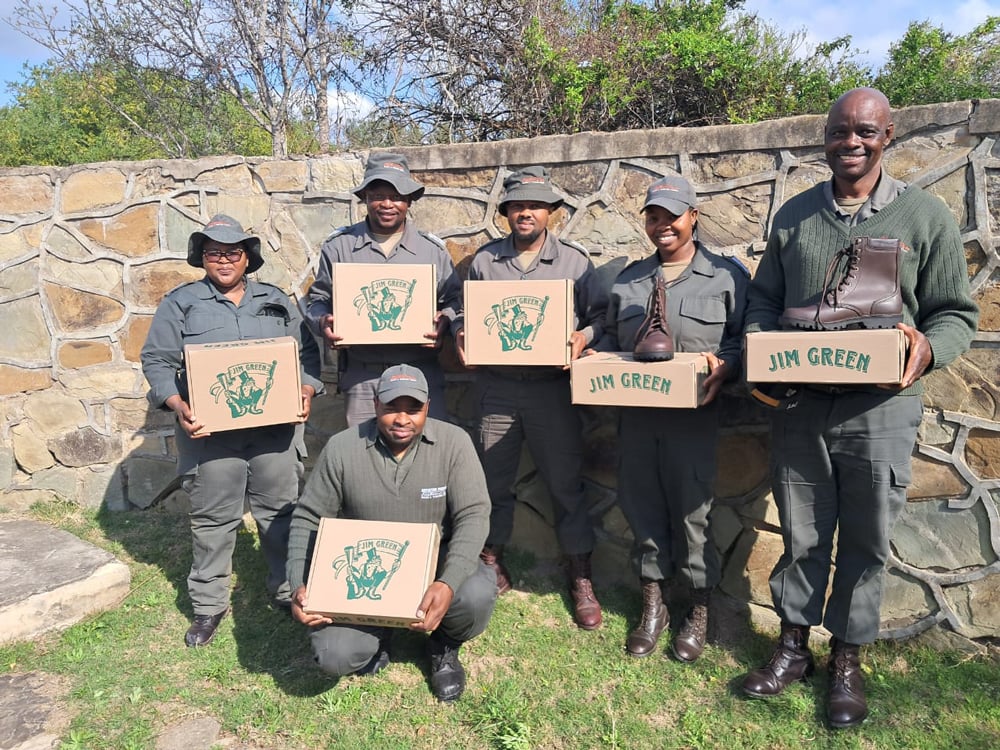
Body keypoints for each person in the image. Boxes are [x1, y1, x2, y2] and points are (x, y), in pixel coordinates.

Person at [740, 88, 978, 728]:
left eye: (865, 131)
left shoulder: (924, 216)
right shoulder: (794, 217)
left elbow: (956, 314)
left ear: (888, 136)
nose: (851, 141)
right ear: (825, 138)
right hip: (800, 405)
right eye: (840, 131)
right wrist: (762, 350)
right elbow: (762, 302)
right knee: (802, 533)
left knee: (867, 539)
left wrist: (928, 349)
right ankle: (794, 647)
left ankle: (847, 657)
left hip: (881, 409)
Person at [140, 214, 324, 647]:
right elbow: (157, 361)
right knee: (213, 520)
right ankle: (209, 605)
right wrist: (177, 404)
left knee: (281, 513)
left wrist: (306, 390)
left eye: (232, 252)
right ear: (202, 258)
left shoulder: (276, 301)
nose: (223, 260)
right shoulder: (181, 304)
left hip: (274, 433)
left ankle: (287, 590)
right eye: (213, 253)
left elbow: (307, 357)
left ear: (247, 258)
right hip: (211, 436)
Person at [595, 175, 748, 661]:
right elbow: (609, 338)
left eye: (672, 216)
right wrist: (592, 352)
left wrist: (727, 364)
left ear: (693, 217)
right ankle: (653, 606)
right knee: (640, 505)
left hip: (694, 418)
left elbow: (746, 337)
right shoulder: (629, 280)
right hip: (637, 416)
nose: (662, 225)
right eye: (654, 217)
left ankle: (699, 609)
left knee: (693, 514)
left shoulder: (725, 277)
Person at [454, 166, 608, 630]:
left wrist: (583, 337)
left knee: (565, 484)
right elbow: (463, 313)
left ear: (550, 213)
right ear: (505, 212)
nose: (526, 213)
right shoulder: (485, 262)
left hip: (551, 391)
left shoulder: (575, 263)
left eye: (535, 206)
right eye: (517, 206)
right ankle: (491, 560)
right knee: (491, 482)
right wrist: (462, 333)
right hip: (496, 388)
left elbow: (600, 317)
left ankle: (580, 574)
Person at [286, 365, 496, 703]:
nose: (402, 419)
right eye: (391, 408)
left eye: (413, 409)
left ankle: (443, 645)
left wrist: (448, 582)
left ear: (427, 407)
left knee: (475, 596)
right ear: (375, 404)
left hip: (434, 562)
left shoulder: (454, 443)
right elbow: (308, 517)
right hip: (367, 567)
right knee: (335, 655)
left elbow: (474, 514)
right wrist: (298, 583)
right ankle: (378, 629)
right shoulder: (342, 448)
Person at [305, 152, 462, 426]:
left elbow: (455, 300)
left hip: (419, 373)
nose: (387, 204)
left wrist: (446, 320)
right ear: (365, 197)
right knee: (362, 449)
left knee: (426, 449)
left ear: (409, 201)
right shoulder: (339, 247)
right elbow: (318, 299)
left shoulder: (431, 250)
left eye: (397, 196)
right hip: (363, 376)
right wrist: (323, 322)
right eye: (378, 195)